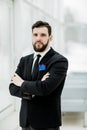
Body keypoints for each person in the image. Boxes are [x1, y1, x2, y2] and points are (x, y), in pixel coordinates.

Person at [9, 20, 68, 130]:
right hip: (25, 122)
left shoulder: (59, 61)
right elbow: (12, 88)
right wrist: (34, 90)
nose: (38, 38)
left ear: (50, 37)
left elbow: (44, 88)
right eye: (35, 34)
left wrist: (22, 83)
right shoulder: (24, 60)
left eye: (43, 35)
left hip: (47, 123)